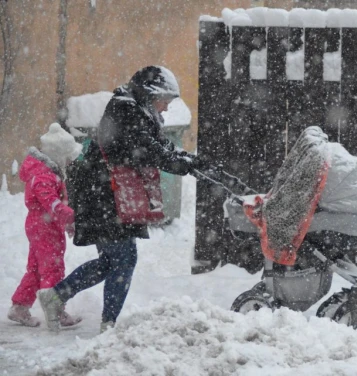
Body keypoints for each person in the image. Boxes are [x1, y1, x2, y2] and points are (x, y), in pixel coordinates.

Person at [37, 66, 208, 332]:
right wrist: (185, 165)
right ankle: (107, 324)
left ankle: (56, 296)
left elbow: (161, 146)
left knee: (111, 261)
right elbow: (149, 151)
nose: (165, 108)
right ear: (151, 94)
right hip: (104, 196)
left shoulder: (136, 109)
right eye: (165, 100)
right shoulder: (127, 111)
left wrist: (192, 161)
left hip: (108, 195)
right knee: (124, 259)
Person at [8, 123, 83, 328]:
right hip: (45, 226)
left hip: (40, 225)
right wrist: (71, 217)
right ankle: (55, 309)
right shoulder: (44, 175)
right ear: (58, 154)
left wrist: (64, 220)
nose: (68, 161)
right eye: (67, 157)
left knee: (36, 269)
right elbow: (51, 202)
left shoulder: (46, 172)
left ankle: (20, 307)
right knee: (53, 267)